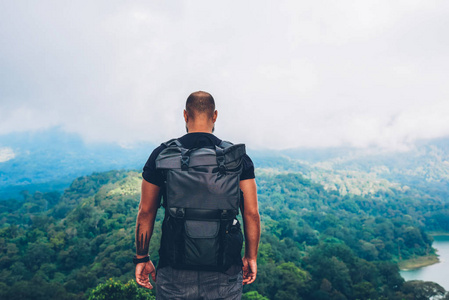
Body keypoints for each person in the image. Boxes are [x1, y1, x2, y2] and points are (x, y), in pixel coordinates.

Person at [134, 91, 261, 300]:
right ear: (215, 116)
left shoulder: (163, 155)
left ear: (185, 115)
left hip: (174, 271)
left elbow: (146, 211)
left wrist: (141, 257)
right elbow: (251, 213)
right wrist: (251, 257)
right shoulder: (236, 158)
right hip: (225, 271)